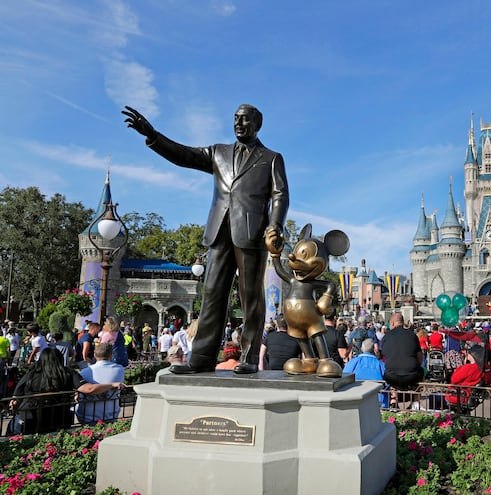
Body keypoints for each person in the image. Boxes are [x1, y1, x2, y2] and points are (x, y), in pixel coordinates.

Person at [123, 103, 288, 375]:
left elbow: (280, 194)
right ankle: (201, 358)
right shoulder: (218, 152)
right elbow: (183, 155)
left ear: (257, 124)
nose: (238, 123)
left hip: (251, 233)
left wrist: (275, 226)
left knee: (250, 297)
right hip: (219, 230)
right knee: (212, 294)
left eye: (245, 120)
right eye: (235, 119)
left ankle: (248, 357)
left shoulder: (271, 158)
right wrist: (152, 135)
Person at [9, 348, 124, 435]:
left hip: (33, 419)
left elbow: (17, 394)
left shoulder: (31, 374)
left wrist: (14, 402)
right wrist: (112, 384)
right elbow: (89, 389)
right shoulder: (68, 373)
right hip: (60, 418)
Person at [76, 342, 126, 424]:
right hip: (111, 414)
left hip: (87, 415)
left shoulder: (85, 372)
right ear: (111, 355)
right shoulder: (119, 369)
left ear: (95, 355)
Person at [381, 313, 424, 392]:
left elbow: (383, 357)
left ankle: (394, 398)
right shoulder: (412, 335)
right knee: (421, 371)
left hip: (391, 376)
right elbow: (419, 356)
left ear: (392, 323)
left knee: (389, 375)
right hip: (412, 375)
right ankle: (416, 401)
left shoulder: (386, 337)